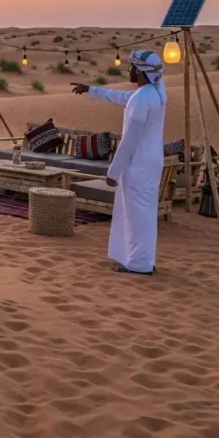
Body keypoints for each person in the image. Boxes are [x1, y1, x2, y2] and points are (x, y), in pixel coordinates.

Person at [72, 50, 167, 275]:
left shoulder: (142, 99)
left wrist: (113, 172)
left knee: (136, 217)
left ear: (141, 71)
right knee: (144, 213)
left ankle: (139, 264)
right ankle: (144, 258)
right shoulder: (156, 92)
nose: (130, 71)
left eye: (132, 68)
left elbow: (128, 141)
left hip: (138, 164)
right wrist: (92, 90)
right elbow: (124, 98)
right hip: (152, 162)